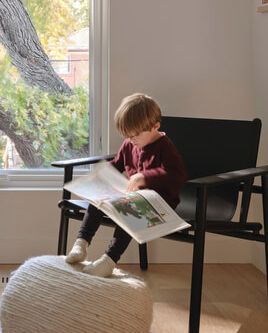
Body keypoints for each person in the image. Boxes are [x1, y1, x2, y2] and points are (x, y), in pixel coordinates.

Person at [64, 93, 187, 277]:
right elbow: (117, 164)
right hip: (134, 196)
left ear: (155, 126)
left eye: (136, 135)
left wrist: (144, 177)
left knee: (130, 210)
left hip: (160, 204)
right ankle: (81, 243)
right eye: (128, 135)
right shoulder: (130, 144)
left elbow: (178, 174)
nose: (131, 140)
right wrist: (100, 178)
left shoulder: (165, 146)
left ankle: (109, 260)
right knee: (99, 198)